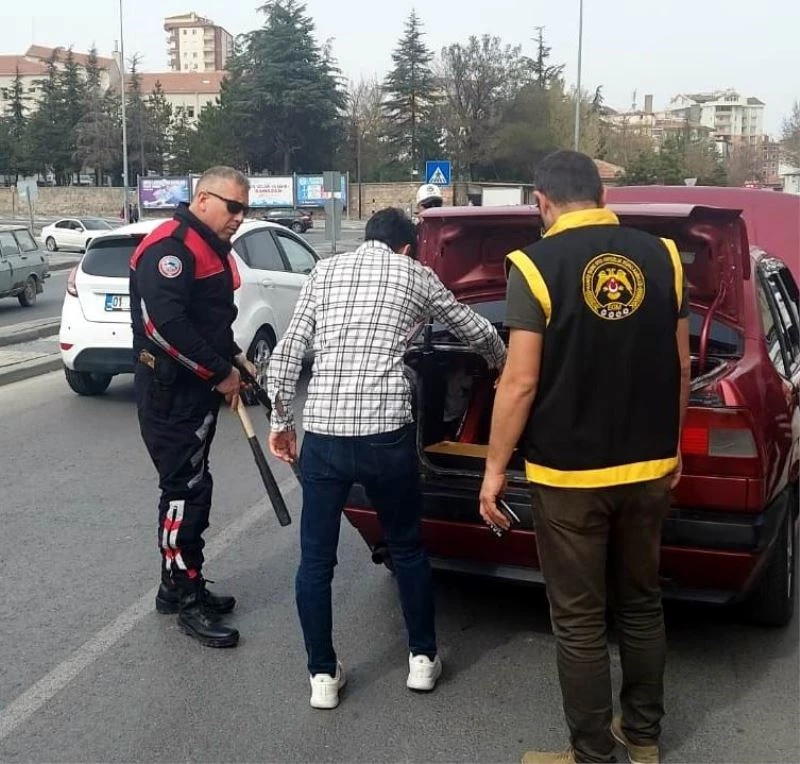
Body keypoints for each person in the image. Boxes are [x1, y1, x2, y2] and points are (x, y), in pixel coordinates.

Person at [479, 150, 691, 764]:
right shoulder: (664, 256)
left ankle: (593, 755)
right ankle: (644, 738)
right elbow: (680, 364)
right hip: (650, 467)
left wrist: (494, 472)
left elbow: (518, 383)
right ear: (600, 195)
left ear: (541, 202)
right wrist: (672, 446)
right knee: (643, 602)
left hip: (569, 476)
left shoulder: (534, 264)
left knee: (578, 620)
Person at [267, 207, 507, 710]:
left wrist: (281, 423)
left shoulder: (325, 270)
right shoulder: (416, 274)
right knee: (407, 547)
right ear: (406, 247)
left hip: (326, 437)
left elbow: (287, 354)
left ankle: (321, 676)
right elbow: (475, 330)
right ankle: (422, 659)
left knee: (315, 562)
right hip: (385, 436)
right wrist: (504, 367)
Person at [130, 166, 257, 649]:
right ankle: (185, 595)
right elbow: (166, 327)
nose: (240, 218)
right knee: (184, 492)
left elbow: (211, 322)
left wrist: (236, 361)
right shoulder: (172, 247)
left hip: (192, 387)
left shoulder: (211, 248)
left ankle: (175, 582)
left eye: (245, 209)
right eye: (233, 207)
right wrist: (218, 373)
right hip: (170, 391)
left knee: (195, 485)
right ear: (204, 199)